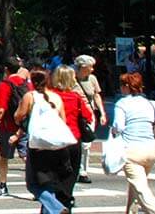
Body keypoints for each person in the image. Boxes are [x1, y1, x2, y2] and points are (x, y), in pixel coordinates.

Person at [112, 71, 155, 214]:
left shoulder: (122, 103)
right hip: (150, 150)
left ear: (127, 87)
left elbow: (119, 126)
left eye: (121, 85)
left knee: (142, 190)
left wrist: (113, 131)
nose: (120, 88)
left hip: (131, 150)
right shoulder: (150, 103)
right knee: (136, 185)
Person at [9, 69, 71, 214]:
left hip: (38, 146)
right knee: (49, 184)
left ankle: (57, 208)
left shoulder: (30, 96)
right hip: (56, 146)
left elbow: (18, 116)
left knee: (33, 184)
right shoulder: (56, 97)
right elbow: (63, 120)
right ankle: (53, 209)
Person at [50, 65, 93, 208]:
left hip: (54, 141)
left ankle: (54, 206)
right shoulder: (75, 97)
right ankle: (66, 203)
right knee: (70, 177)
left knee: (54, 177)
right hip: (74, 139)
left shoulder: (49, 96)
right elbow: (88, 116)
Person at [0, 56, 29, 196]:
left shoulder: (4, 85)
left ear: (6, 69)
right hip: (23, 126)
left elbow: (0, 109)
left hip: (7, 126)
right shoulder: (25, 84)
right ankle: (37, 184)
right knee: (26, 156)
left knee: (4, 157)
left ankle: (3, 185)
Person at [72, 54, 105, 184]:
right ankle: (74, 168)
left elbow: (96, 96)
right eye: (90, 67)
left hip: (88, 114)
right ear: (83, 67)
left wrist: (102, 113)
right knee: (73, 143)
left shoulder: (92, 79)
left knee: (86, 144)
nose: (92, 69)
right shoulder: (71, 78)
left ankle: (83, 171)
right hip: (74, 114)